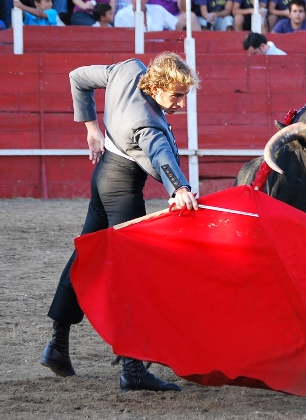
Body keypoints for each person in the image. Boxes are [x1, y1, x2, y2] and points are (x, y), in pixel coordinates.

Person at [40, 53, 199, 393]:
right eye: (176, 96)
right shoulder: (147, 123)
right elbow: (161, 155)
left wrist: (91, 129)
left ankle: (57, 345)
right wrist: (180, 188)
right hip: (123, 188)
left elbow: (77, 75)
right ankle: (133, 368)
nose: (181, 105)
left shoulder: (128, 69)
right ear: (154, 87)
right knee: (134, 274)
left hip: (104, 177)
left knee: (86, 256)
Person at [114, 0, 178, 30]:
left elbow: (176, 25)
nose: (138, 0)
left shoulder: (158, 10)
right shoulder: (121, 15)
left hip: (158, 47)